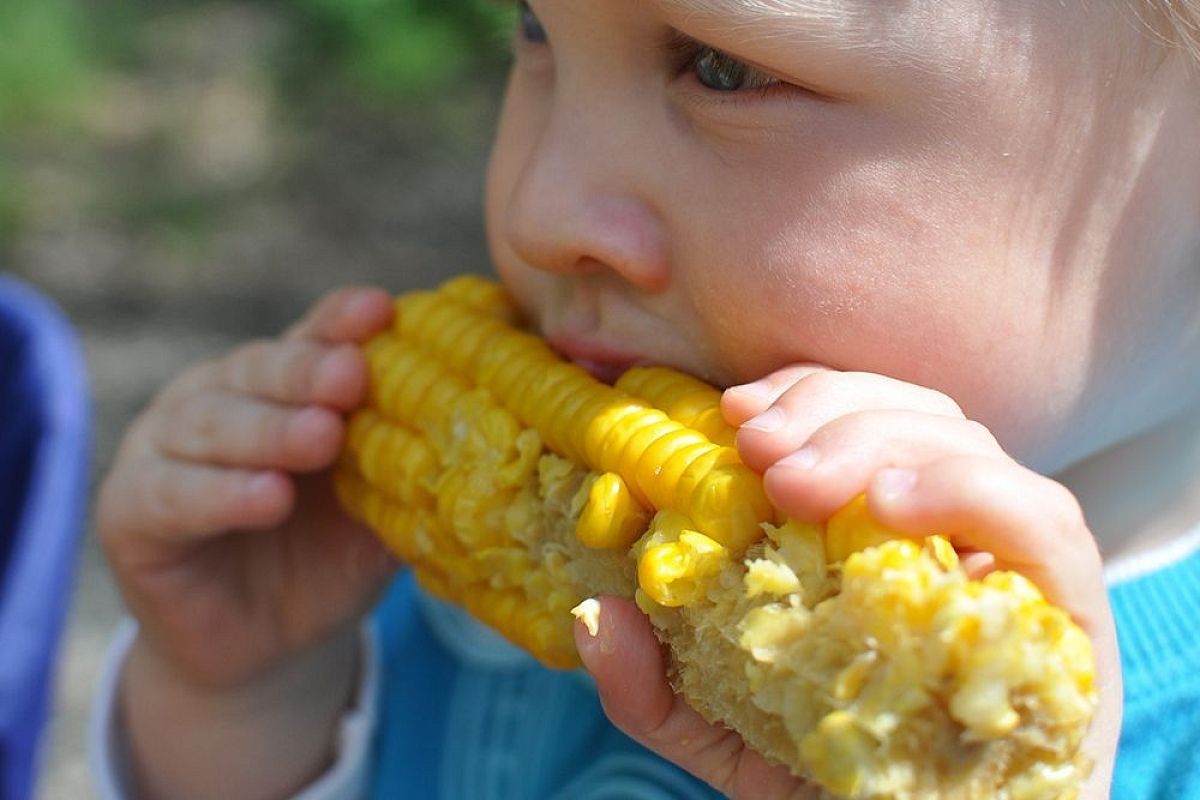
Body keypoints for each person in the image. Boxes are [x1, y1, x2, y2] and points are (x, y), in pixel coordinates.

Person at [90, 1, 1200, 797]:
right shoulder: (426, 601)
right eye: (533, 30)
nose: (539, 205)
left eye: (722, 67)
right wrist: (240, 703)